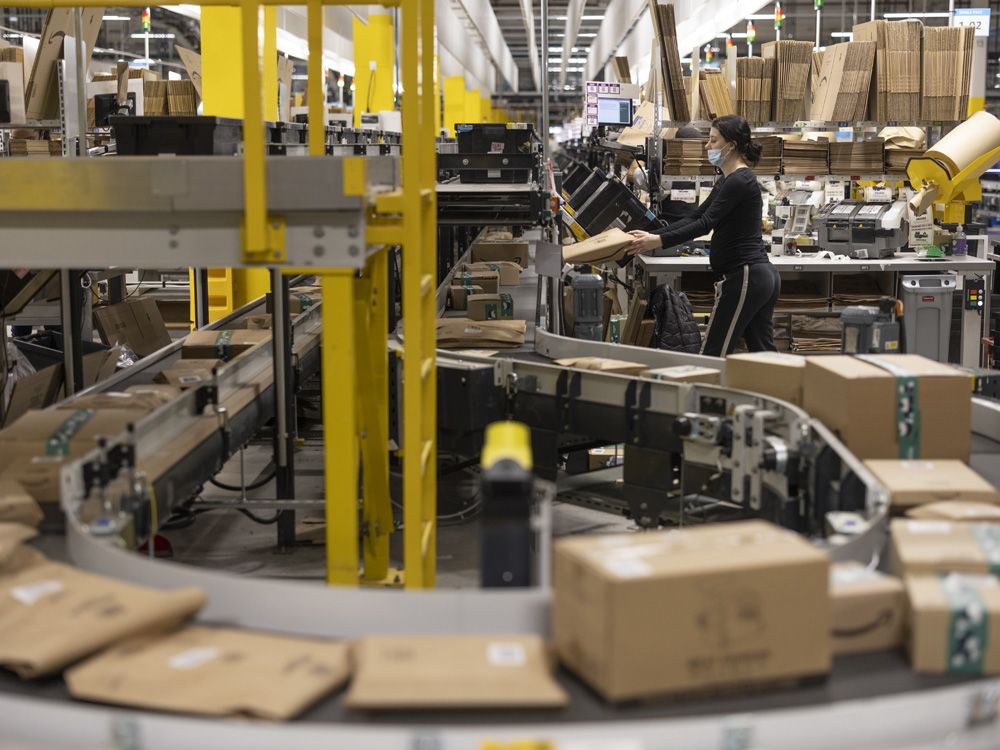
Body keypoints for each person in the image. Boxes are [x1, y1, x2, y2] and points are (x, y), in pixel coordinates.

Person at [626, 114, 780, 357]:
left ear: (731, 146)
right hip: (754, 276)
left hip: (746, 275)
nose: (707, 146)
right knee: (762, 354)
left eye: (713, 141)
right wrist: (652, 233)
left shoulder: (740, 180)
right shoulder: (727, 180)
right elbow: (695, 217)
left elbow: (705, 224)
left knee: (714, 355)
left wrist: (658, 241)